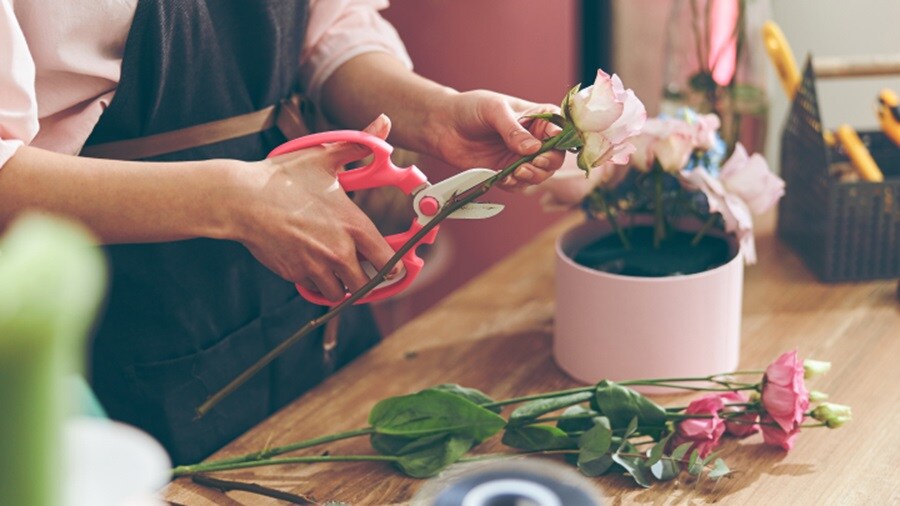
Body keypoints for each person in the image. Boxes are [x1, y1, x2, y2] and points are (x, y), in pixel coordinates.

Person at [0, 0, 564, 464]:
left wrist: (436, 114)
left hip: (307, 303)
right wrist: (239, 199)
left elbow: (328, 31)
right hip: (114, 327)